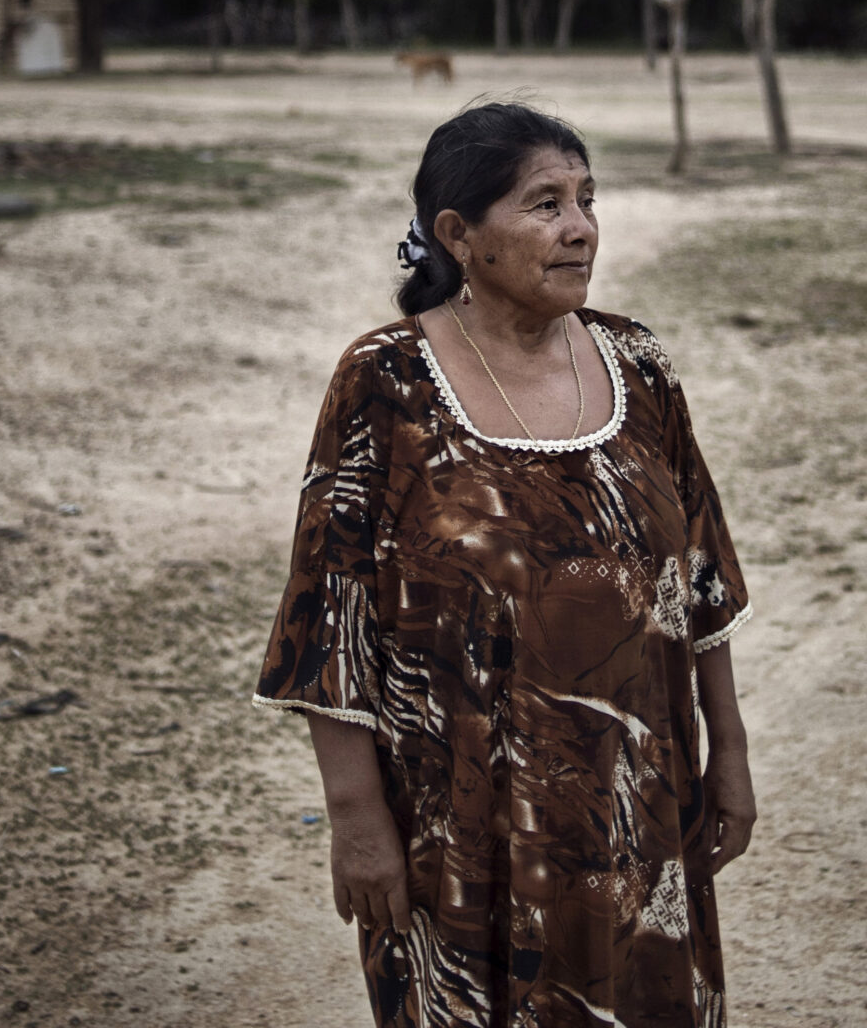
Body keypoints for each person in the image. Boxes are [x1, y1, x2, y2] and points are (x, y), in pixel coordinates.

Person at [255, 101, 756, 1027]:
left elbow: (702, 580)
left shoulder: (640, 365)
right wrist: (357, 816)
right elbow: (328, 619)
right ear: (458, 234)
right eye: (544, 205)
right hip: (460, 826)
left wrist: (728, 752)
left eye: (587, 200)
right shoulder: (385, 382)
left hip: (638, 808)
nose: (580, 230)